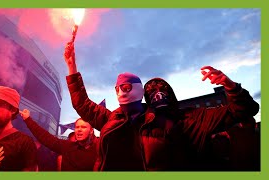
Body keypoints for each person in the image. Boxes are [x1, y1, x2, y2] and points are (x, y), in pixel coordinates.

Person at [63, 42, 259, 171]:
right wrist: (72, 67)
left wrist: (229, 85)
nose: (158, 92)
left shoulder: (191, 119)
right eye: (152, 90)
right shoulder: (120, 121)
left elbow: (244, 110)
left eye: (162, 87)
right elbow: (84, 105)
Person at [20, 109, 98, 171]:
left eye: (83, 127)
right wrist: (28, 119)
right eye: (77, 127)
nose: (79, 130)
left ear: (91, 131)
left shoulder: (99, 151)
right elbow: (45, 137)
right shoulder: (67, 146)